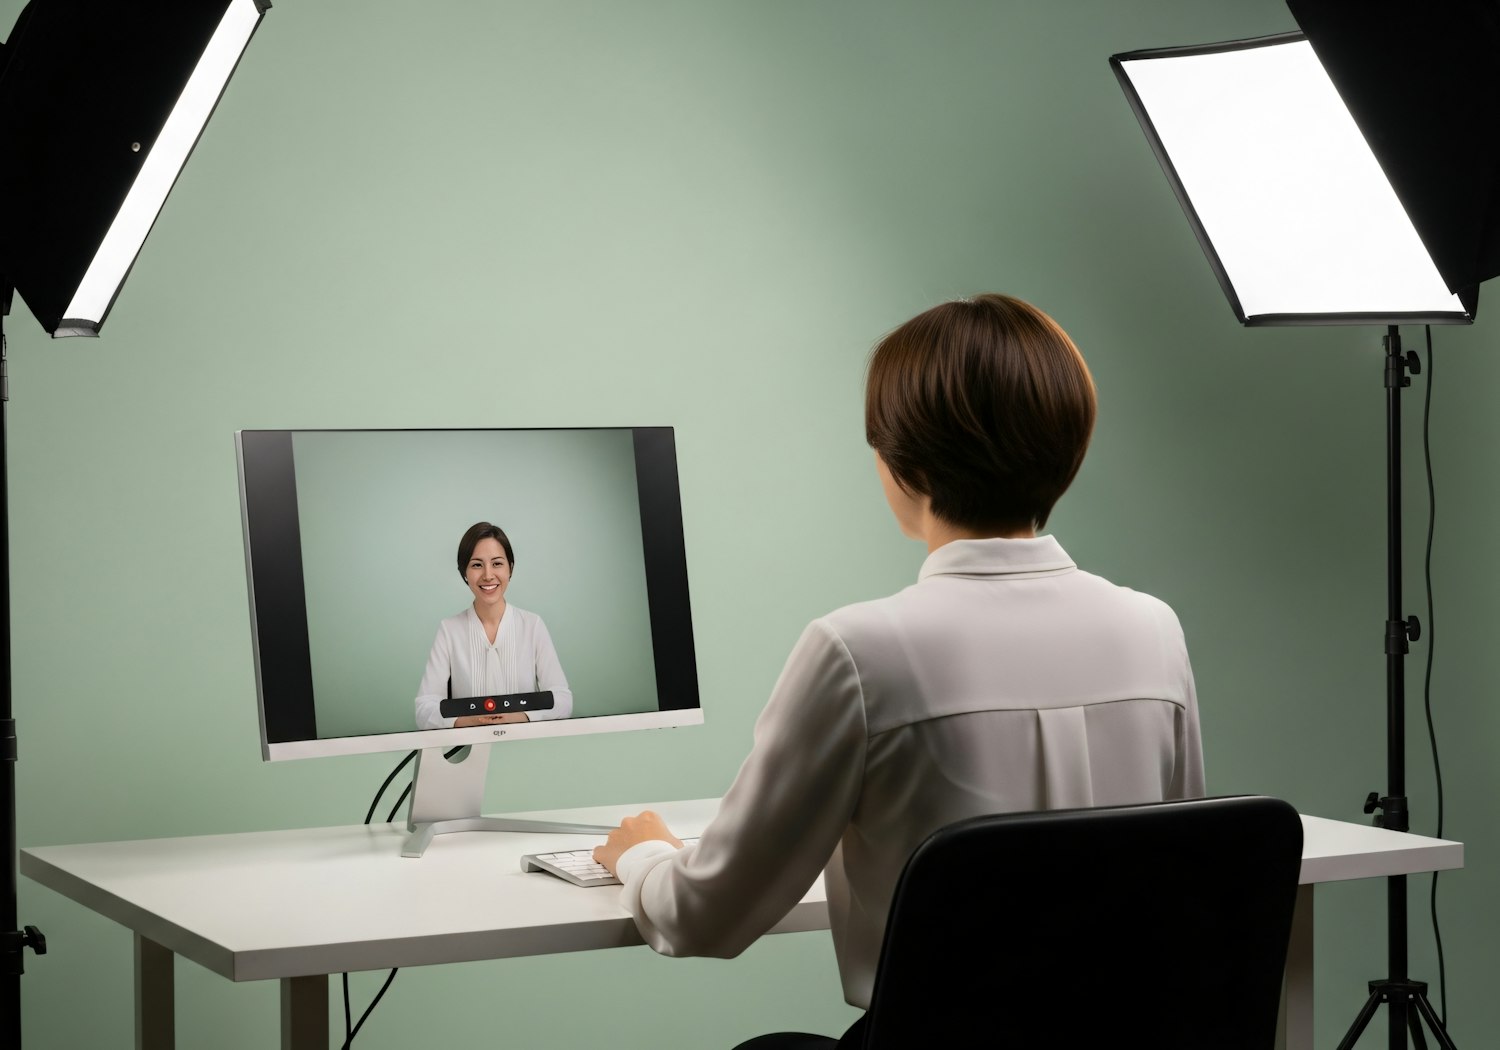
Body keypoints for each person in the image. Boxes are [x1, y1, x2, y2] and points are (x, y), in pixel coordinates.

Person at [592, 294, 1204, 1048]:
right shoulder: (1155, 631)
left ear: (900, 464)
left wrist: (646, 853)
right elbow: (1181, 877)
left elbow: (704, 917)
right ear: (1069, 449)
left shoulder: (858, 651)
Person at [414, 521, 573, 729]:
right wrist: (468, 721)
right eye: (477, 565)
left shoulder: (532, 625)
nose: (488, 575)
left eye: (497, 563)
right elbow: (424, 709)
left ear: (510, 568)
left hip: (527, 749)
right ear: (464, 573)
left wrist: (519, 717)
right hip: (469, 752)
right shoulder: (449, 630)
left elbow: (562, 699)